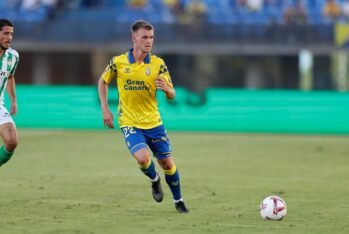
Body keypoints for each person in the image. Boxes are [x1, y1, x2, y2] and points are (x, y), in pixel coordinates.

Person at [98, 20, 189, 213]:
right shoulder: (118, 62)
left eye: (152, 37)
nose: (149, 41)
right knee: (141, 158)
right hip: (129, 121)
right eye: (145, 37)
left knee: (167, 164)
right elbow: (102, 81)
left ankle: (179, 201)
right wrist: (105, 109)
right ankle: (154, 179)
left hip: (154, 122)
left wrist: (168, 90)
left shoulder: (158, 64)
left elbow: (172, 94)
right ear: (134, 38)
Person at [0, 19, 19, 167]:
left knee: (12, 140)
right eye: (6, 33)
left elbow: (10, 77)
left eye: (11, 34)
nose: (9, 38)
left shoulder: (13, 56)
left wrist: (13, 100)